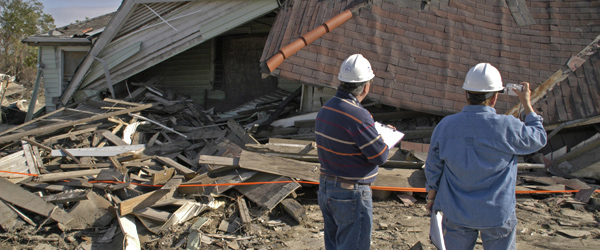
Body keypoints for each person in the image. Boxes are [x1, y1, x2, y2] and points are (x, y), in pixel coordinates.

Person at [424, 62, 548, 250]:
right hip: (497, 214)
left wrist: (431, 198)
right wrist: (526, 104)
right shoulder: (508, 126)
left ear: (466, 94)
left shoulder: (446, 126)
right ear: (494, 98)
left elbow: (433, 167)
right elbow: (538, 138)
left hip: (457, 212)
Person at [315, 54, 390, 250]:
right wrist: (385, 141)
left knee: (335, 244)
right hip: (350, 193)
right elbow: (380, 156)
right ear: (366, 86)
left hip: (326, 188)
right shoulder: (358, 115)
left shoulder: (326, 109)